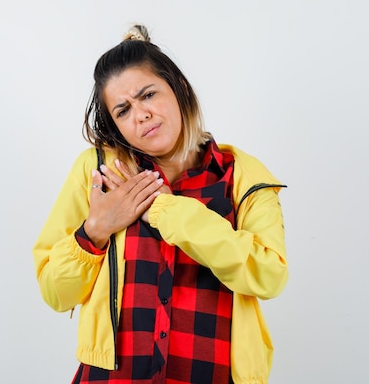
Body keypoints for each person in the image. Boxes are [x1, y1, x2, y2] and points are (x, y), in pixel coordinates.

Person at [32, 24, 288, 384]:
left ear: (180, 87)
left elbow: (270, 276)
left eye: (148, 95)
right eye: (123, 110)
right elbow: (55, 293)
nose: (140, 115)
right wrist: (95, 231)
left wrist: (170, 211)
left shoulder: (240, 176)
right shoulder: (98, 172)